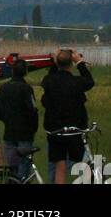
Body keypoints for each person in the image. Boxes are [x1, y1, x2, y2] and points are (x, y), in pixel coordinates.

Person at [41, 48, 95, 184]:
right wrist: (80, 62)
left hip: (56, 132)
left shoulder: (49, 81)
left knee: (60, 167)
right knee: (82, 166)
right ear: (71, 64)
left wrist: (55, 63)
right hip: (75, 132)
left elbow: (47, 80)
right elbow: (90, 81)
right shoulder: (77, 82)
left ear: (57, 63)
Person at [0, 59, 39, 180]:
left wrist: (6, 120)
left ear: (12, 71)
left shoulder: (3, 88)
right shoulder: (26, 88)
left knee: (11, 168)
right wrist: (33, 128)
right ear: (25, 72)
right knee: (24, 167)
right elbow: (32, 110)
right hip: (25, 133)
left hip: (9, 131)